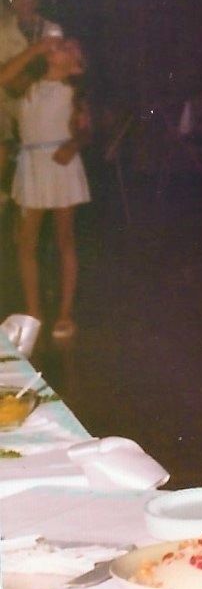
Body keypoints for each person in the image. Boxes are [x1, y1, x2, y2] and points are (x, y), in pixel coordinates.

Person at [0, 34, 89, 351]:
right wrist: (33, 50)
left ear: (76, 67)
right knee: (27, 243)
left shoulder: (73, 93)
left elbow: (85, 131)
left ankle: (64, 313)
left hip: (60, 165)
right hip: (33, 165)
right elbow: (3, 77)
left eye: (70, 47)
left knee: (65, 239)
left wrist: (74, 144)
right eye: (61, 43)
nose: (62, 45)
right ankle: (33, 310)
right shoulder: (28, 85)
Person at [0, 0, 62, 198]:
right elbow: (5, 78)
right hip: (9, 108)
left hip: (46, 109)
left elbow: (56, 69)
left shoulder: (52, 29)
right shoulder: (3, 32)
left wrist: (22, 70)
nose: (21, 2)